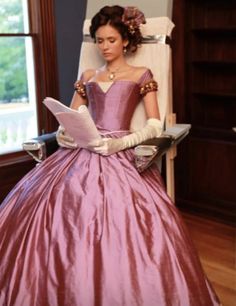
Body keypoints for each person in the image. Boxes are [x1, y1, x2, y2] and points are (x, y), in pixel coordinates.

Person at [0, 5, 221, 306]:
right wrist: (67, 135)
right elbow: (68, 115)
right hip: (81, 147)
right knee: (53, 197)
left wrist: (121, 144)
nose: (104, 46)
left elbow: (156, 123)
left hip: (119, 148)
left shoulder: (141, 73)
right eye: (100, 40)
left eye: (111, 40)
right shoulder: (88, 75)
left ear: (126, 42)